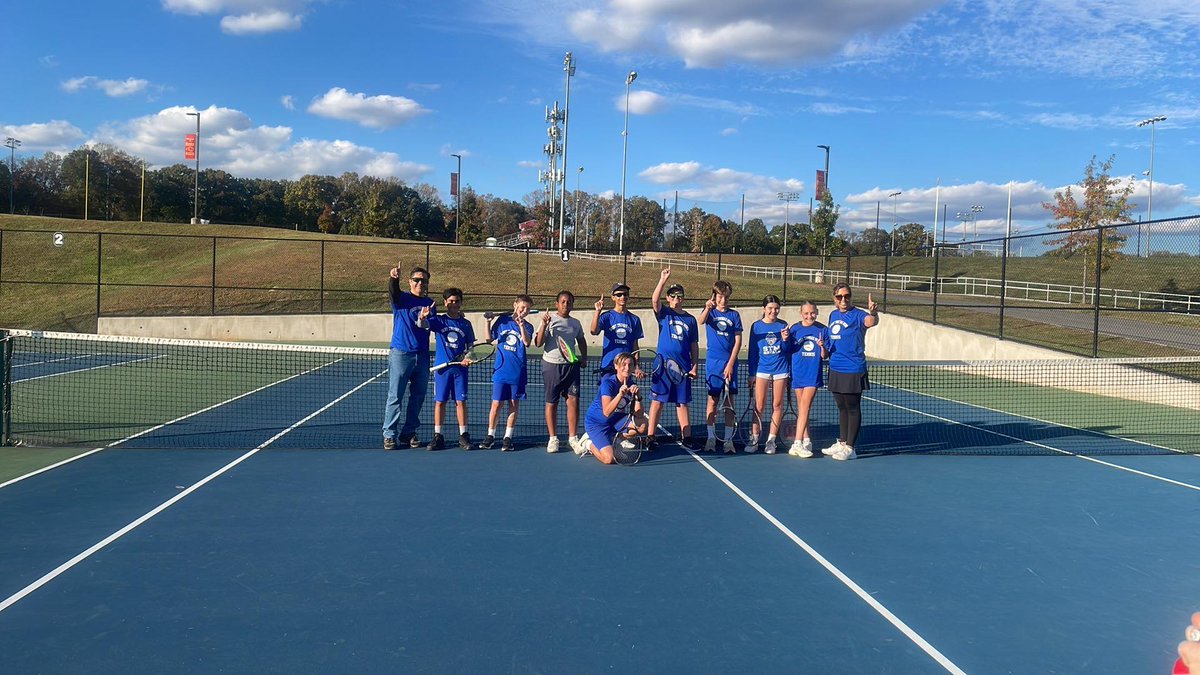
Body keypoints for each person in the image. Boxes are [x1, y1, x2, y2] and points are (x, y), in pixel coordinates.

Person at [382, 264, 435, 450]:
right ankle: (389, 434)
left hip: (422, 356)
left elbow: (427, 325)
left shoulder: (430, 304)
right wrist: (393, 279)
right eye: (416, 280)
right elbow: (393, 293)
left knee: (418, 396)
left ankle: (409, 432)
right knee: (395, 396)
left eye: (423, 280)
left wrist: (423, 318)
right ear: (410, 282)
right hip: (401, 354)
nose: (420, 283)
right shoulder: (402, 299)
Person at [823, 283, 878, 461]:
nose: (843, 300)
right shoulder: (833, 315)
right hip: (835, 366)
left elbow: (871, 322)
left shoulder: (859, 315)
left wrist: (874, 313)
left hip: (853, 368)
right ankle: (842, 441)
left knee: (852, 408)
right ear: (834, 299)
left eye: (847, 296)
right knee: (841, 407)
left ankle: (850, 448)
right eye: (839, 297)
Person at [648, 268, 699, 451]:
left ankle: (687, 438)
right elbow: (654, 300)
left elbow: (694, 345)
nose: (676, 298)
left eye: (679, 296)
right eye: (673, 296)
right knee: (657, 402)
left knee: (682, 403)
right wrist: (662, 280)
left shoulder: (691, 320)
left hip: (683, 368)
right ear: (668, 298)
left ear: (683, 298)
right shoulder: (664, 314)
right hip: (662, 366)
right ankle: (650, 436)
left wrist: (694, 367)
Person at [419, 287, 475, 451]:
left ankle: (464, 436)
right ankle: (438, 436)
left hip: (460, 370)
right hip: (442, 370)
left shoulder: (466, 324)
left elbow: (471, 347)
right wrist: (422, 317)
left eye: (457, 301)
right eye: (451, 301)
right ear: (445, 302)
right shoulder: (439, 321)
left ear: (461, 303)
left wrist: (468, 358)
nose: (454, 304)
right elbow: (423, 324)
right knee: (440, 402)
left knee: (461, 402)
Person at [534, 290, 588, 454]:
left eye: (569, 302)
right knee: (552, 403)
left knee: (573, 401)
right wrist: (544, 324)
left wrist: (584, 357)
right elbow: (538, 343)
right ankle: (553, 439)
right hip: (551, 366)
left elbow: (581, 340)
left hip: (571, 367)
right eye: (563, 302)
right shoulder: (549, 320)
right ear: (557, 304)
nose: (566, 305)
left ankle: (572, 438)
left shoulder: (575, 323)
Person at [480, 295, 533, 451]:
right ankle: (490, 436)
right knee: (496, 404)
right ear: (515, 305)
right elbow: (489, 339)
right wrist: (488, 322)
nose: (524, 311)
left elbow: (527, 342)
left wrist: (521, 326)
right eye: (522, 307)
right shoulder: (502, 322)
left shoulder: (528, 326)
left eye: (527, 309)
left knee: (513, 404)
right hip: (501, 371)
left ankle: (507, 438)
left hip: (518, 373)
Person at [696, 280, 742, 454]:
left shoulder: (734, 315)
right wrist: (707, 307)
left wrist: (730, 364)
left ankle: (728, 441)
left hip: (730, 365)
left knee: (729, 404)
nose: (724, 300)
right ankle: (710, 439)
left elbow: (738, 341)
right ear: (715, 296)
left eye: (727, 297)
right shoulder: (711, 313)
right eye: (721, 296)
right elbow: (700, 321)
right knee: (712, 402)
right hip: (713, 365)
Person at [582, 352, 647, 465]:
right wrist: (620, 394)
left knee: (642, 424)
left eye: (630, 365)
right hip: (596, 423)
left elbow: (640, 415)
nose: (627, 368)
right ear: (616, 366)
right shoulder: (608, 384)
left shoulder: (632, 384)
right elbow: (607, 412)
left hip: (615, 420)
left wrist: (638, 397)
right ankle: (588, 443)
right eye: (624, 364)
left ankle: (614, 440)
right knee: (609, 459)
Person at [745, 295, 790, 454]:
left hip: (781, 370)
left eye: (776, 308)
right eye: (770, 308)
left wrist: (785, 340)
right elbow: (753, 351)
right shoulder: (756, 326)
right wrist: (752, 373)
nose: (773, 311)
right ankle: (754, 438)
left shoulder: (783, 325)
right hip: (762, 370)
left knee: (777, 405)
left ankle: (771, 441)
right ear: (764, 309)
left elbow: (787, 350)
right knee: (759, 406)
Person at [786, 301, 829, 458]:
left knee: (805, 407)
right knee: (802, 409)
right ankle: (806, 439)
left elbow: (825, 355)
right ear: (801, 313)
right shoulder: (794, 329)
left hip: (812, 374)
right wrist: (785, 339)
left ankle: (796, 444)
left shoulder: (823, 330)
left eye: (812, 313)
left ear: (816, 312)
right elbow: (788, 349)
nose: (810, 316)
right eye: (806, 313)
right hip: (797, 373)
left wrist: (822, 346)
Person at [591, 282, 644, 381]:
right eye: (619, 295)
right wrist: (597, 311)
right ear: (613, 297)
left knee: (625, 395)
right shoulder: (606, 317)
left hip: (626, 368)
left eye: (625, 294)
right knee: (606, 396)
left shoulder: (634, 319)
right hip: (608, 366)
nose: (622, 297)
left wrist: (636, 366)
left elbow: (635, 346)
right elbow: (593, 331)